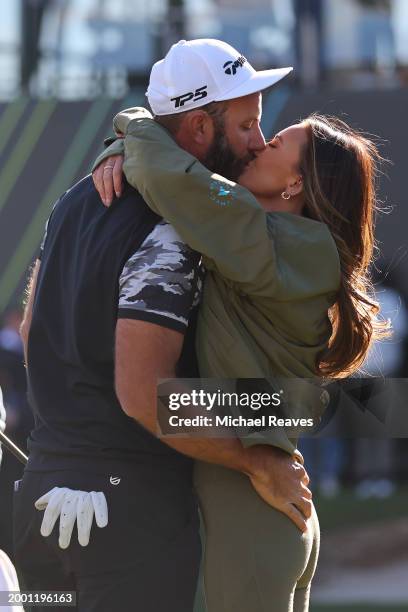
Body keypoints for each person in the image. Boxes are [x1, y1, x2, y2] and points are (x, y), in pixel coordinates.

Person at [14, 39, 311, 612]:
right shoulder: (177, 224)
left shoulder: (77, 198)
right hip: (125, 517)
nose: (257, 140)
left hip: (42, 500)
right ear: (199, 129)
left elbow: (32, 333)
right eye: (247, 124)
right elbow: (145, 395)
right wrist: (258, 460)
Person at [91, 103, 388, 611]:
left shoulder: (285, 241)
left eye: (275, 145)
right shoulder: (277, 240)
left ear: (295, 184)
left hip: (253, 510)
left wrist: (134, 123)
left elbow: (173, 177)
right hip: (265, 503)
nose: (259, 143)